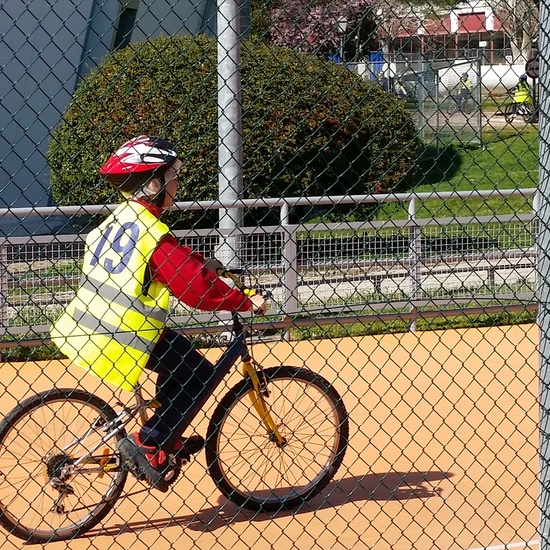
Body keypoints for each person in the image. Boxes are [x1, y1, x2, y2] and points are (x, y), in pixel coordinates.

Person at [50, 135, 267, 492]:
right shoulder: (153, 232)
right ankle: (151, 441)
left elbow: (178, 262)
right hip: (123, 336)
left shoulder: (120, 220)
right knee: (198, 373)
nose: (178, 183)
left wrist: (206, 266)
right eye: (173, 175)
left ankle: (167, 431)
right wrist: (243, 301)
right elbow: (193, 288)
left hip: (87, 325)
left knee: (180, 362)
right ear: (153, 183)